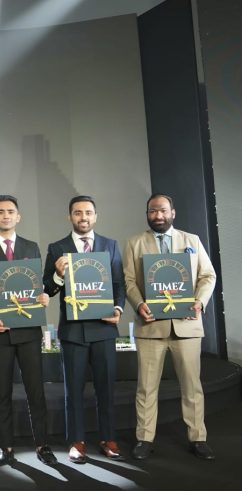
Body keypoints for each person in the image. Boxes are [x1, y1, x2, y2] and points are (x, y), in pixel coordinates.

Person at [123, 193, 217, 460]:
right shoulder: (134, 243)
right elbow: (129, 281)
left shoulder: (192, 241)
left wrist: (199, 302)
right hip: (150, 327)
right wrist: (139, 304)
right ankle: (144, 438)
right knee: (146, 387)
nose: (158, 215)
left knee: (192, 386)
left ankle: (198, 438)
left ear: (172, 213)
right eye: (153, 211)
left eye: (163, 210)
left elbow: (208, 275)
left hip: (187, 326)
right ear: (147, 214)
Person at [0, 195, 57, 466]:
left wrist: (44, 296)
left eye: (10, 211)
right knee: (2, 393)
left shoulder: (31, 247)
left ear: (18, 216)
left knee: (36, 391)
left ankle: (42, 445)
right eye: (0, 212)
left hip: (29, 331)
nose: (5, 215)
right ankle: (5, 447)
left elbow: (39, 286)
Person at [42, 196, 125, 463]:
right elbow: (47, 290)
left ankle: (108, 438)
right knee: (74, 391)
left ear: (95, 216)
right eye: (77, 213)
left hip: (104, 329)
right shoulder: (57, 248)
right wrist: (57, 275)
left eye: (88, 212)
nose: (83, 217)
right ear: (70, 217)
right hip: (73, 333)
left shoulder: (110, 245)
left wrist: (118, 309)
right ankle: (76, 441)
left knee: (106, 389)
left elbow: (119, 284)